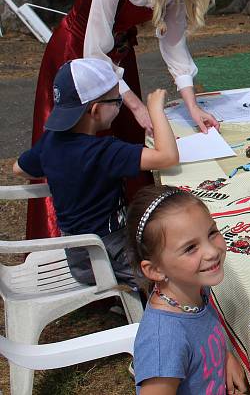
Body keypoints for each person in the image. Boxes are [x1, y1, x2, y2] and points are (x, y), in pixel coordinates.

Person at [29, 0, 219, 239]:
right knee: (85, 143)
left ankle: (133, 233)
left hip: (117, 56)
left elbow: (174, 44)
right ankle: (77, 239)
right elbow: (93, 48)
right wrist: (133, 103)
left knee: (129, 139)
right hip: (78, 55)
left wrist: (192, 105)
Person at [13, 58, 179, 287]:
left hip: (78, 256)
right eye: (117, 101)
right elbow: (167, 157)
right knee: (178, 269)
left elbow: (19, 168)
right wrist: (155, 110)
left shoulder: (50, 142)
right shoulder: (103, 152)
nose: (119, 106)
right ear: (96, 110)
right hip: (107, 254)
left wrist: (63, 175)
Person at [126, 185, 248, 394]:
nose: (211, 251)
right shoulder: (164, 342)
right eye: (190, 248)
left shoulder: (196, 289)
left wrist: (225, 357)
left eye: (212, 233)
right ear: (155, 269)